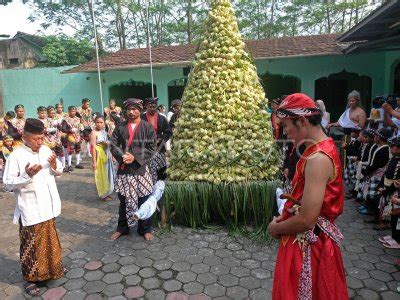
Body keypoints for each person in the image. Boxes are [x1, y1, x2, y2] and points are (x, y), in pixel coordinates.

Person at [268, 93, 348, 300]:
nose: (286, 132)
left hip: (311, 245)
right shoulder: (321, 148)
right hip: (309, 239)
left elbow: (307, 219)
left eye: (286, 126)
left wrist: (275, 227)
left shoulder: (317, 159)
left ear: (302, 120)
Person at [3, 118, 64, 296]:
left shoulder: (46, 150)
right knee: (31, 245)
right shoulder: (16, 156)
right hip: (29, 209)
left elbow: (59, 169)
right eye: (35, 139)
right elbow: (7, 184)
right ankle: (30, 279)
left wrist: (54, 166)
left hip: (48, 205)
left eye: (41, 138)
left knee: (50, 242)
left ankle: (51, 271)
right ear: (24, 137)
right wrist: (26, 175)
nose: (39, 142)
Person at [110, 98, 156, 241]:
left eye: (134, 109)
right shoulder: (120, 127)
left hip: (141, 169)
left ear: (140, 110)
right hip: (125, 170)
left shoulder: (147, 127)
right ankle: (122, 228)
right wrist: (123, 156)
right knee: (123, 200)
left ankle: (145, 229)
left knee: (144, 199)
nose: (131, 112)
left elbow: (152, 148)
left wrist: (135, 157)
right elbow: (113, 144)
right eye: (129, 109)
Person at [142, 97, 172, 183]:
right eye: (150, 106)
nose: (152, 108)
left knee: (161, 170)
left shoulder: (162, 118)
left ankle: (161, 189)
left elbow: (168, 132)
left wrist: (161, 139)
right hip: (145, 149)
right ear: (146, 106)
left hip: (159, 149)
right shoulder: (141, 118)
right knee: (147, 172)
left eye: (154, 106)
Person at [90, 115, 115, 200]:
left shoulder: (105, 132)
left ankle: (108, 192)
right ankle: (103, 194)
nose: (99, 124)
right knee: (101, 175)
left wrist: (112, 155)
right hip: (99, 156)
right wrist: (94, 162)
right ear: (95, 123)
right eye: (97, 122)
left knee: (108, 174)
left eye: (101, 122)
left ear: (104, 123)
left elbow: (110, 144)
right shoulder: (93, 133)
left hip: (107, 154)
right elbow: (93, 147)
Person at [61, 106, 84, 171]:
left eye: (74, 111)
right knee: (70, 150)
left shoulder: (78, 118)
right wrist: (70, 130)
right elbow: (63, 129)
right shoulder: (65, 119)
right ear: (68, 111)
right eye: (71, 111)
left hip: (77, 136)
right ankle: (69, 165)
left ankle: (77, 163)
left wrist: (81, 127)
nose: (73, 112)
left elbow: (80, 126)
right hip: (70, 136)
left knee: (78, 149)